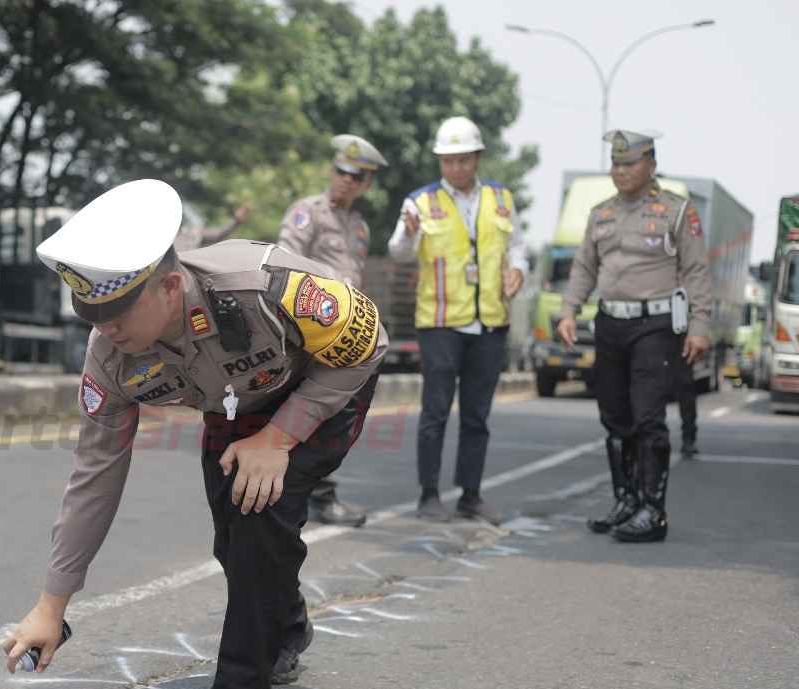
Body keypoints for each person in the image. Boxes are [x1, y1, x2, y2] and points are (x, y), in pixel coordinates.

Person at [3, 179, 388, 689]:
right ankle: (285, 630)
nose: (104, 329)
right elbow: (94, 475)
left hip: (324, 387)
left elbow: (367, 341)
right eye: (92, 314)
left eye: (117, 313)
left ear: (171, 286)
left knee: (258, 516)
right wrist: (51, 604)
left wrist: (279, 438)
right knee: (231, 540)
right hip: (237, 407)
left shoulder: (264, 289)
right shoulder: (109, 357)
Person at [557, 129, 710, 543]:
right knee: (615, 418)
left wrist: (699, 325)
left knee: (648, 418)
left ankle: (652, 510)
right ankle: (625, 499)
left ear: (651, 165)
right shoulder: (600, 213)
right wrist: (569, 310)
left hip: (655, 327)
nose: (620, 171)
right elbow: (584, 268)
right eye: (615, 163)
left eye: (629, 163)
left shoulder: (676, 211)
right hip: (610, 324)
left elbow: (696, 270)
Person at [387, 116, 527, 525]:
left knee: (477, 415)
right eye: (448, 162)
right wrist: (410, 233)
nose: (456, 169)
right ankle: (429, 495)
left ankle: (471, 494)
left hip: (490, 322)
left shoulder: (501, 198)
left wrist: (518, 267)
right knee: (434, 411)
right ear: (439, 163)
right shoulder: (420, 202)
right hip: (441, 323)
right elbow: (399, 251)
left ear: (478, 158)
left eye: (464, 161)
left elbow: (516, 246)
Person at [277, 133, 388, 527]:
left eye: (356, 177)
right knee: (309, 411)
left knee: (334, 417)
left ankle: (313, 493)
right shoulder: (307, 212)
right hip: (308, 329)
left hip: (343, 335)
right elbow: (283, 262)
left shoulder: (359, 227)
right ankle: (310, 496)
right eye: (342, 171)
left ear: (366, 184)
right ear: (332, 170)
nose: (346, 180)